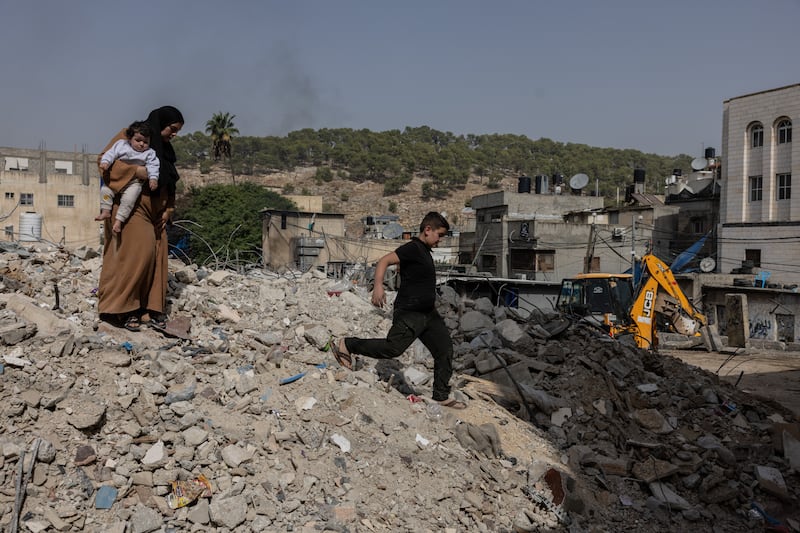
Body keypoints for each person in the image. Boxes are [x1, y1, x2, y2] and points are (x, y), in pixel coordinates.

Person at [331, 212, 466, 409]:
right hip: (410, 312)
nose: (440, 240)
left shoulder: (424, 252)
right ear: (428, 230)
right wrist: (378, 286)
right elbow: (383, 261)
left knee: (444, 349)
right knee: (392, 348)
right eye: (440, 235)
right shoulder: (412, 248)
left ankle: (441, 395)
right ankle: (347, 344)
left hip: (428, 314)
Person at [96, 106, 184, 332]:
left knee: (156, 257)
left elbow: (169, 181)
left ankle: (147, 309)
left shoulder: (163, 151)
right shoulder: (131, 136)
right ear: (161, 123)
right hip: (130, 208)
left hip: (155, 213)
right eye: (172, 129)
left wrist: (169, 209)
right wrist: (136, 172)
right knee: (135, 256)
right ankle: (118, 309)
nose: (174, 134)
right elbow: (104, 162)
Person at [95, 121, 160, 234]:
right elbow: (111, 154)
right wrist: (106, 162)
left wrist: (153, 178)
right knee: (105, 190)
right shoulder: (121, 145)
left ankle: (119, 221)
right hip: (118, 178)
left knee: (129, 199)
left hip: (134, 182)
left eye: (145, 142)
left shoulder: (149, 153)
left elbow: (153, 166)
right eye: (138, 140)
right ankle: (105, 211)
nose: (141, 144)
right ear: (130, 138)